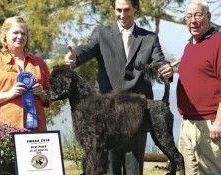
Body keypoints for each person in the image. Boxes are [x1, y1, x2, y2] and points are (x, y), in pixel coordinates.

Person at [65, 0, 173, 174]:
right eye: (119, 10)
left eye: (127, 10)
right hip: (107, 116)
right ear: (113, 10)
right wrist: (75, 57)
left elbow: (159, 60)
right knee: (109, 170)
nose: (122, 15)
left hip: (136, 113)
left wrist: (165, 68)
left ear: (136, 8)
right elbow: (86, 49)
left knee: (134, 170)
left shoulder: (149, 38)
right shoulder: (101, 33)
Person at [176, 0, 221, 174]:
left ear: (208, 17)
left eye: (198, 15)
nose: (193, 20)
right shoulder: (189, 46)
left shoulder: (220, 44)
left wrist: (219, 122)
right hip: (187, 123)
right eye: (189, 16)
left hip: (210, 123)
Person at [0, 16, 52, 131]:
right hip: (3, 132)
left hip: (36, 132)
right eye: (15, 33)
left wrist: (42, 94)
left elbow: (52, 95)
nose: (20, 37)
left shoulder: (39, 63)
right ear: (5, 35)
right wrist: (9, 94)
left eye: (23, 34)